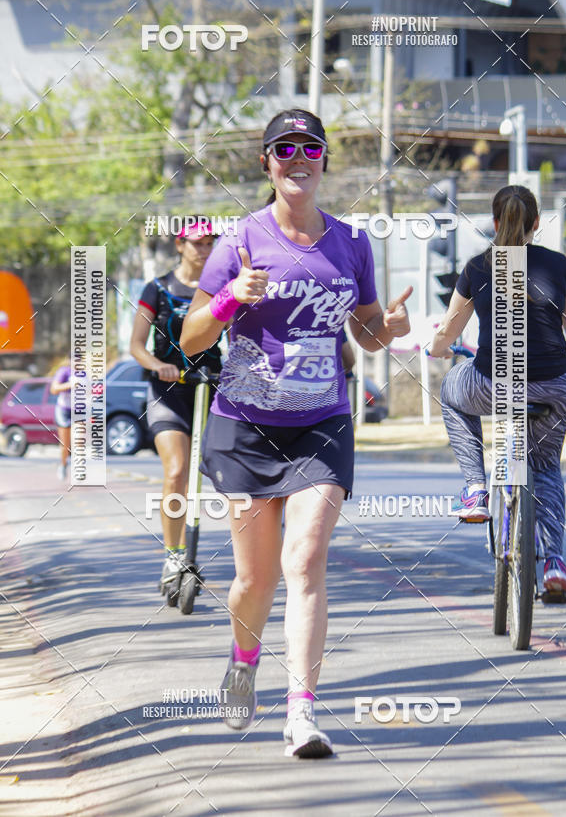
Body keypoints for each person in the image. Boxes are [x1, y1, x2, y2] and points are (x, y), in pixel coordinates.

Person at [180, 108, 413, 758]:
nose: (297, 157)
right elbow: (191, 337)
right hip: (247, 427)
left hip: (322, 423)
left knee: (305, 559)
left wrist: (387, 331)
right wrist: (231, 299)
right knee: (255, 581)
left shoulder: (351, 243)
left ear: (324, 161)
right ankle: (243, 661)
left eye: (309, 147)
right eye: (284, 148)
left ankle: (302, 713)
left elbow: (364, 331)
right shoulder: (239, 242)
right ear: (267, 163)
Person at [428, 184, 566, 601]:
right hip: (553, 386)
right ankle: (554, 562)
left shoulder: (478, 267)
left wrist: (438, 349)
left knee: (450, 391)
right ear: (537, 223)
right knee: (547, 465)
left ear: (496, 223)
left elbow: (449, 332)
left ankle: (474, 489)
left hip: (491, 385)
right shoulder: (557, 265)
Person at [130, 220, 221, 594]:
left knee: (230, 473)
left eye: (209, 243)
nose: (204, 249)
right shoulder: (159, 288)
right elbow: (136, 345)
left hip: (209, 388)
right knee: (177, 470)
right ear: (181, 245)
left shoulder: (220, 287)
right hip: (168, 390)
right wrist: (158, 365)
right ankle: (174, 554)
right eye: (197, 243)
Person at [50, 360, 73, 480]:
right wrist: (69, 385)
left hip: (78, 410)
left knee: (79, 440)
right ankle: (63, 464)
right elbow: (53, 389)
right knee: (65, 443)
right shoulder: (64, 372)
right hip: (64, 410)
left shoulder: (85, 373)